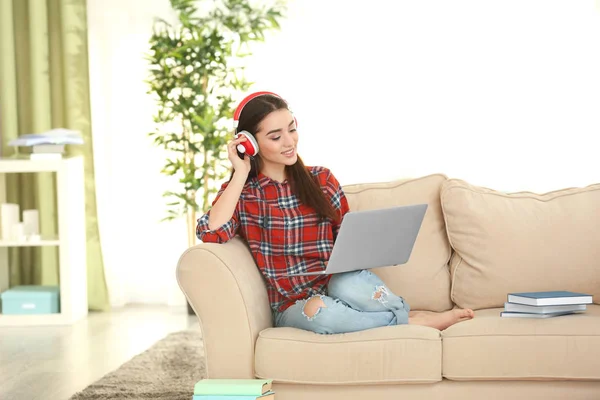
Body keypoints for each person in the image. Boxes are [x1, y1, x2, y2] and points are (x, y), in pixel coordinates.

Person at [196, 91, 474, 335]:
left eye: (292, 129)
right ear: (250, 144)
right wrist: (241, 172)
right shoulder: (245, 193)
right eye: (275, 136)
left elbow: (347, 239)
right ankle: (410, 321)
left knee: (348, 285)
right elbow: (210, 232)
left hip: (337, 282)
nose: (289, 141)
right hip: (294, 303)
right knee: (322, 313)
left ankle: (399, 317)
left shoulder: (321, 179)